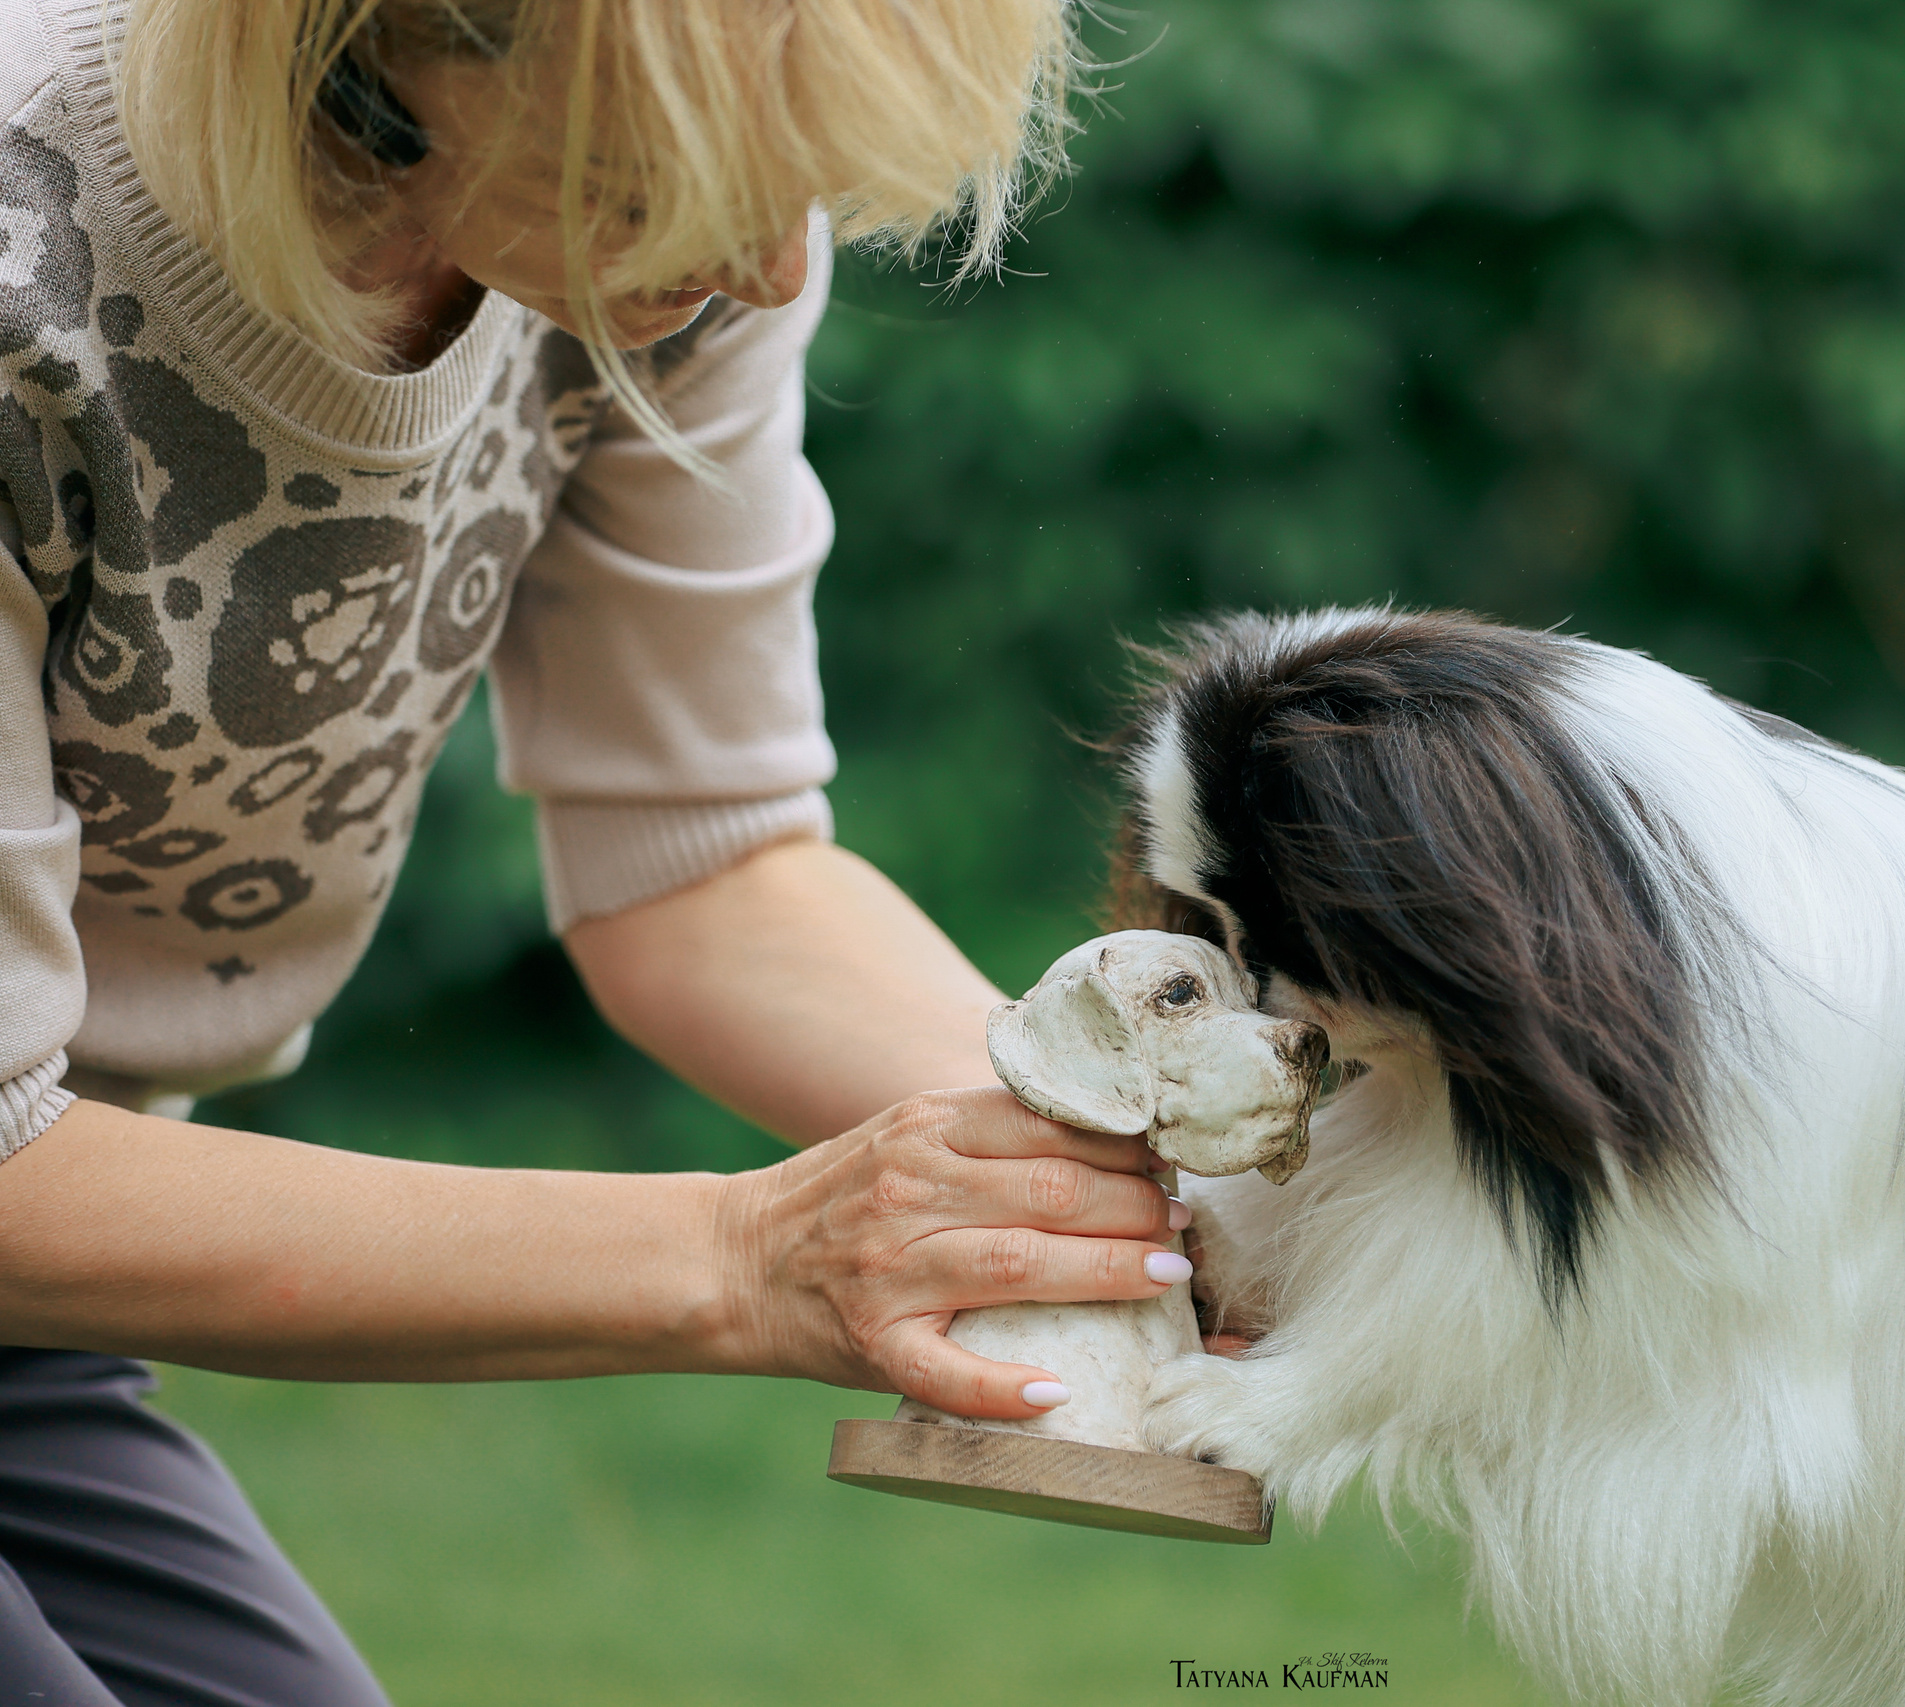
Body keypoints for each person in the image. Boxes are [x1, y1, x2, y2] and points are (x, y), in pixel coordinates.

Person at [0, 1, 1191, 1700]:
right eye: (655, 180)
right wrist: (739, 1261)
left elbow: (701, 865)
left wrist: (1150, 1189)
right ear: (384, 35)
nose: (780, 268)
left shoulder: (659, 263)